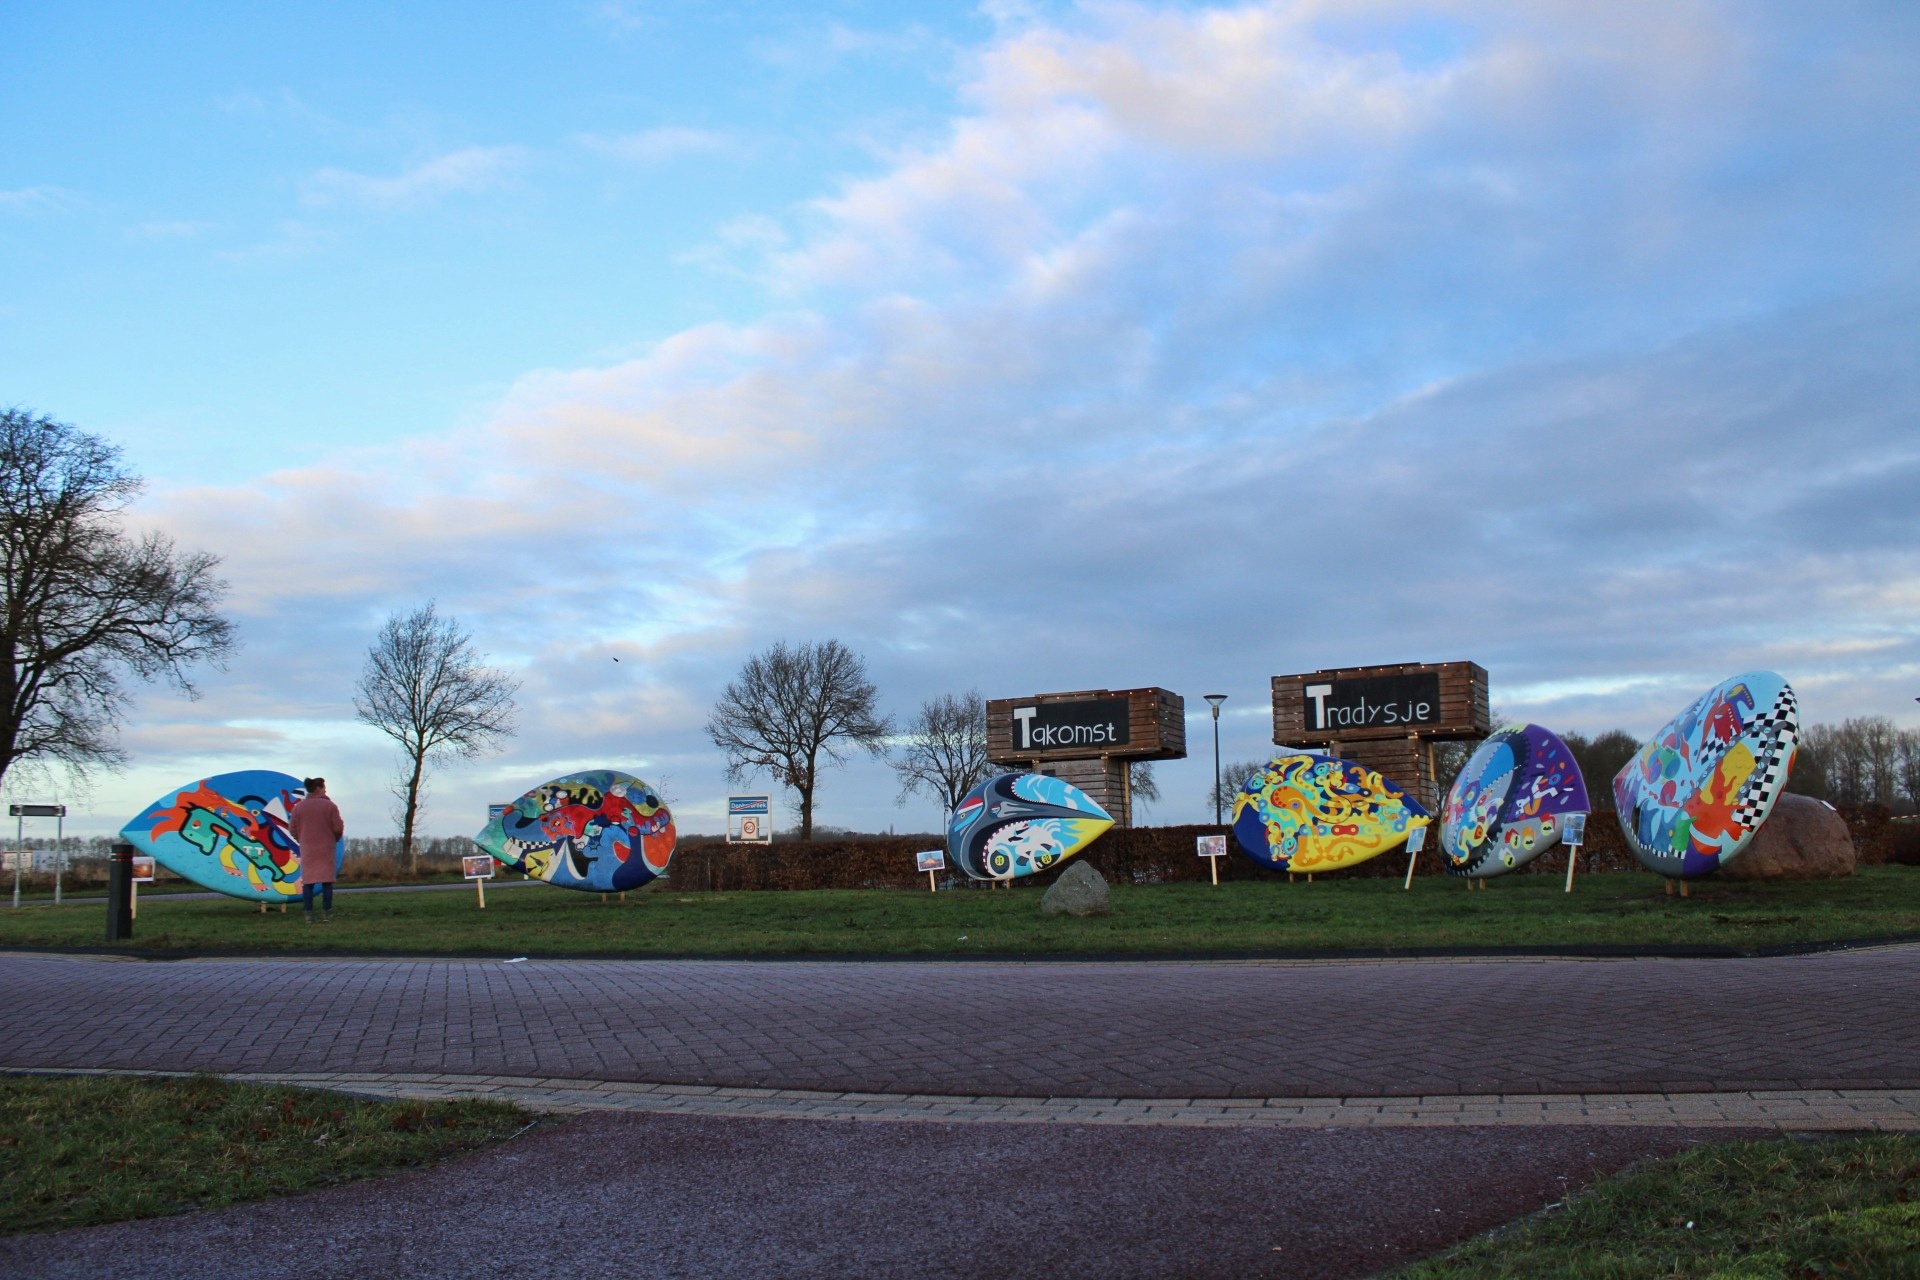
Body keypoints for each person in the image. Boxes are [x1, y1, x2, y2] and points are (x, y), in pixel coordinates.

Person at [289, 777, 344, 923]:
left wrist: (302, 839)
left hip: (308, 849)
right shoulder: (330, 806)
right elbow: (338, 827)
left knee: (308, 883)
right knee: (327, 883)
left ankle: (308, 915)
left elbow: (292, 828)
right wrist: (334, 838)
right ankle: (327, 914)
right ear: (319, 788)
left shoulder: (298, 808)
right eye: (324, 787)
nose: (325, 790)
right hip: (326, 848)